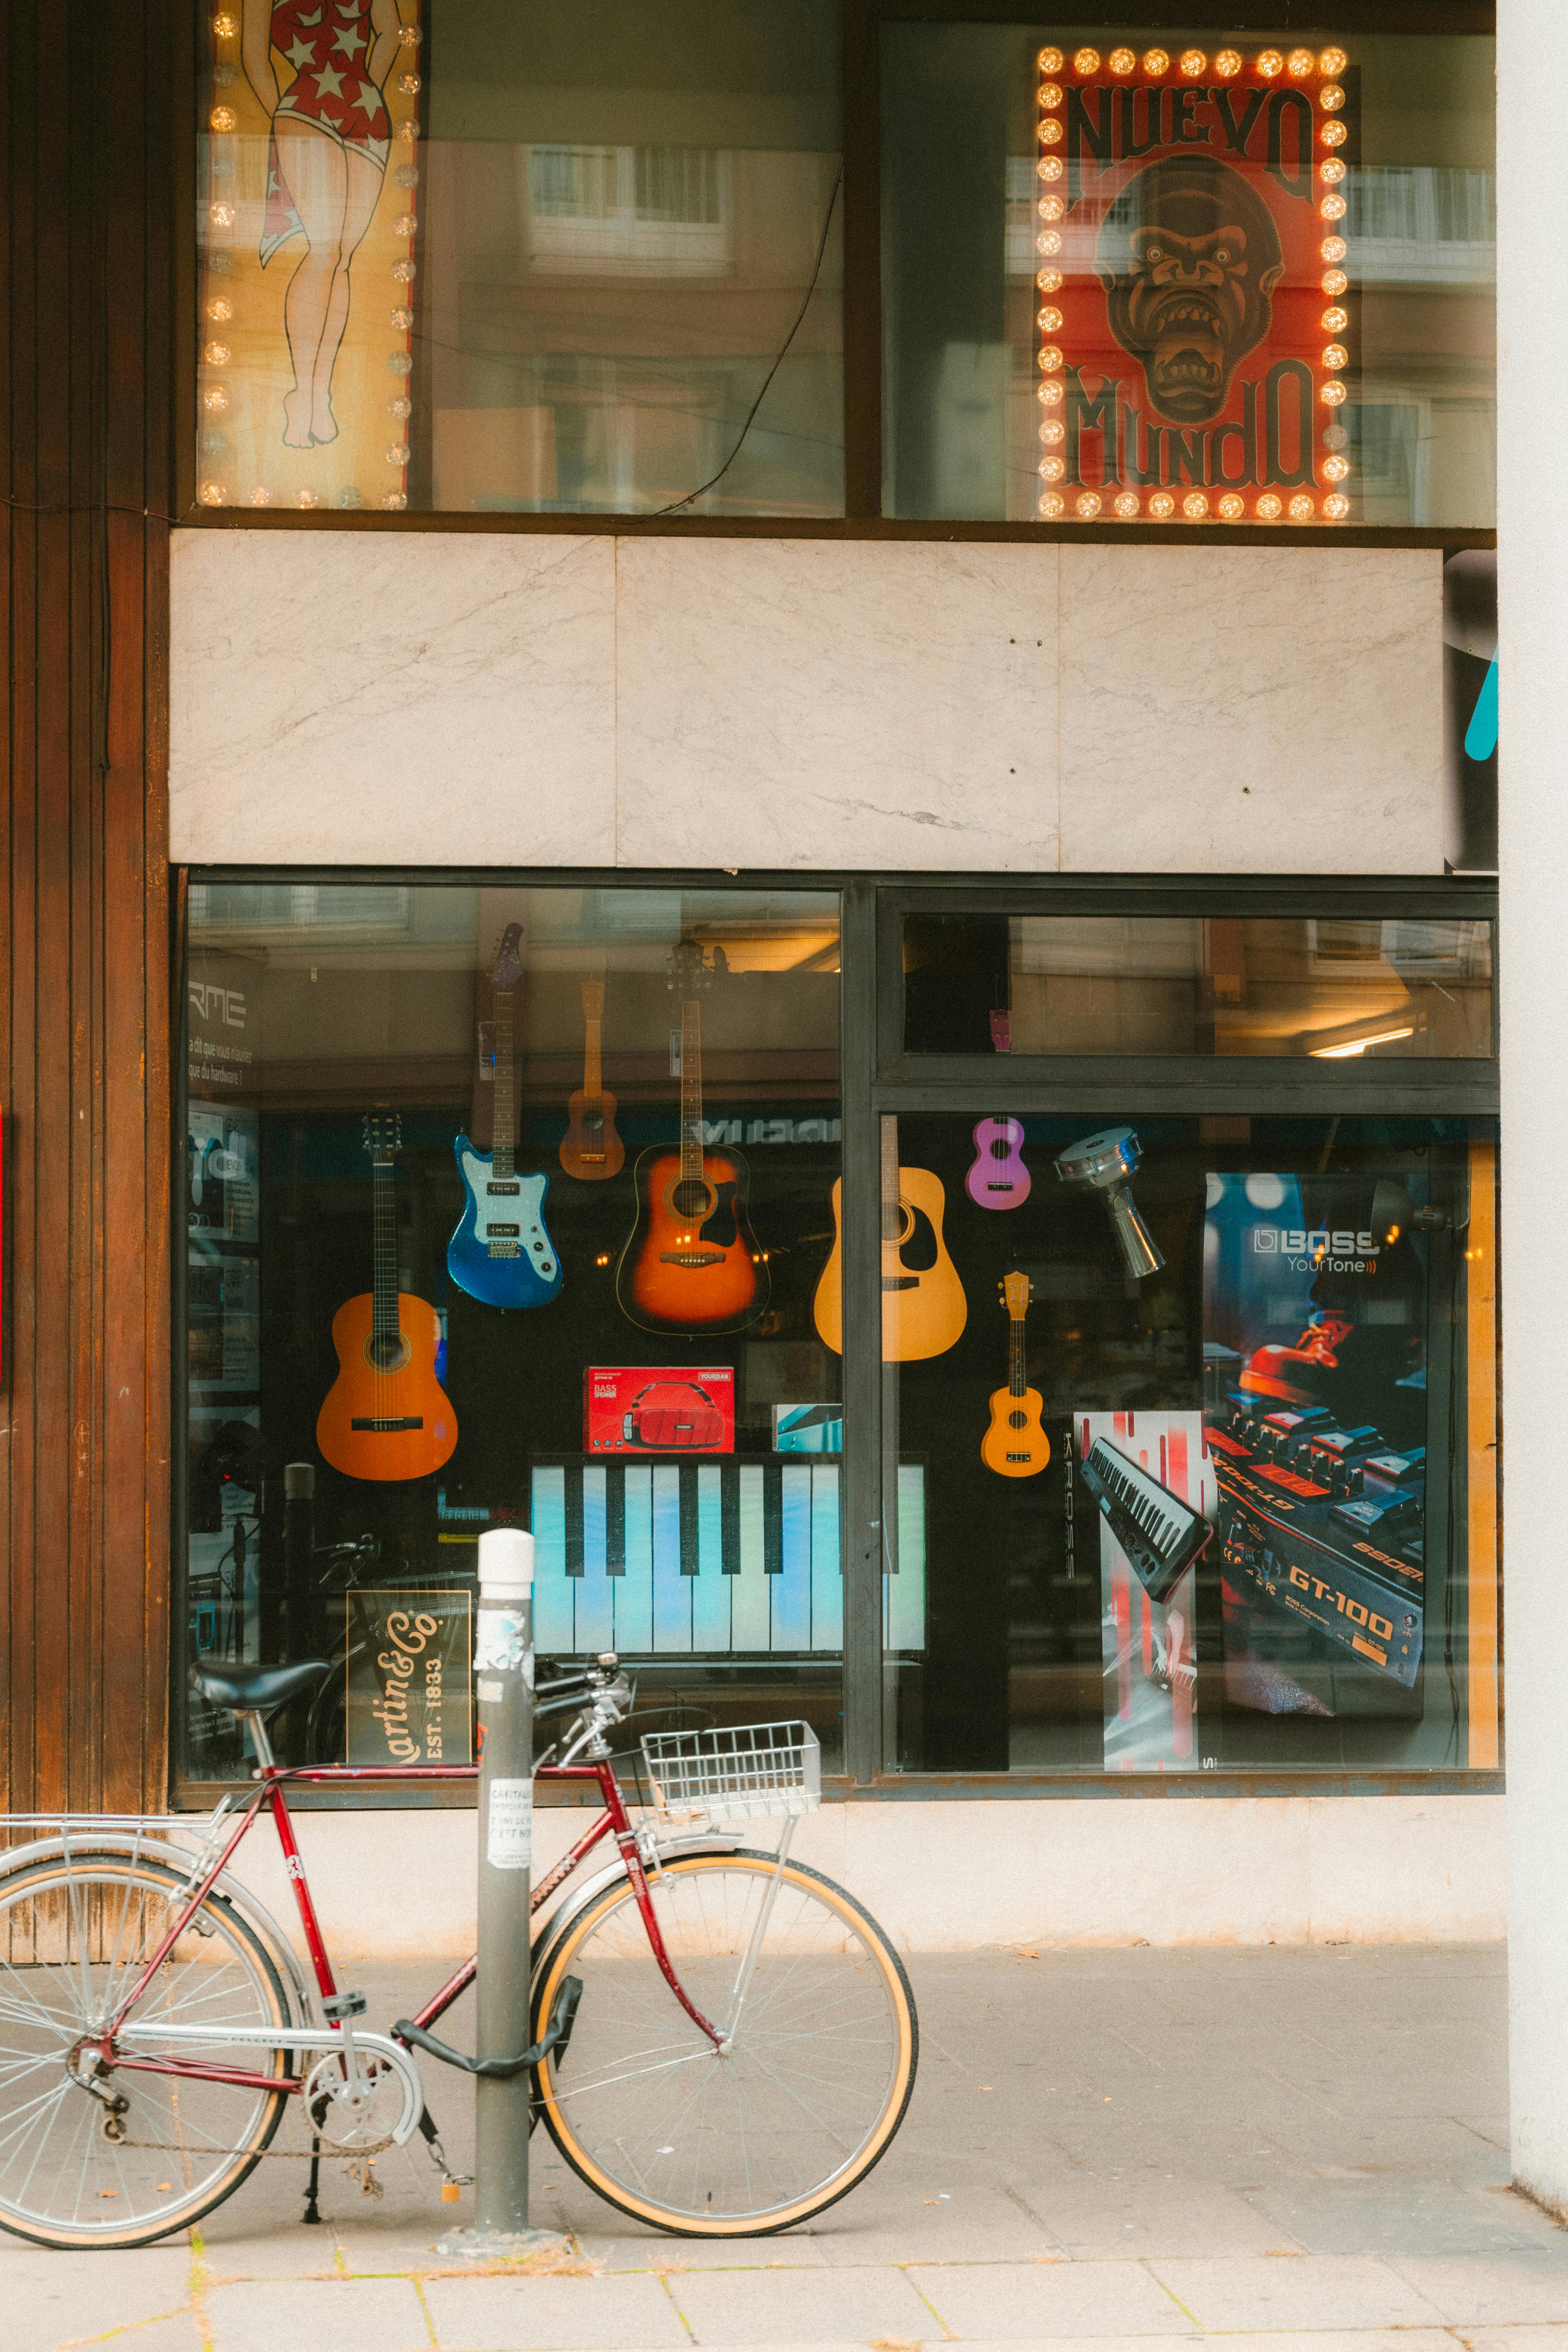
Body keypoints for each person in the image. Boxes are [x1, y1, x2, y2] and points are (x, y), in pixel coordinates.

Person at [241, 0, 401, 449]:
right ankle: (303, 394)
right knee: (324, 251)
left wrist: (369, 84)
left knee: (343, 259)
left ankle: (318, 392)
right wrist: (282, 112)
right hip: (307, 108)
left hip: (366, 110)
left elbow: (391, 31)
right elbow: (253, 54)